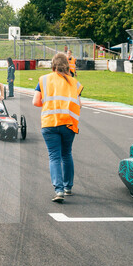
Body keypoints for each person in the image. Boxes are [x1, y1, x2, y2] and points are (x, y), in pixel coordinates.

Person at [33, 53, 83, 202]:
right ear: (67, 66)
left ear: (52, 64)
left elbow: (36, 102)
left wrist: (49, 103)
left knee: (54, 156)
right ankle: (68, 187)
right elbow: (79, 104)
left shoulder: (44, 80)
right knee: (66, 154)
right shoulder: (74, 82)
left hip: (49, 123)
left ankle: (59, 190)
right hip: (68, 123)